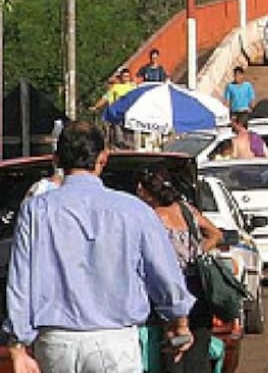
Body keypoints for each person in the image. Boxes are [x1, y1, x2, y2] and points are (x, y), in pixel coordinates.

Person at [4, 121, 196, 373]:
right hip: (115, 341)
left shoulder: (37, 210)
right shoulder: (134, 210)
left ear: (57, 159)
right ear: (103, 158)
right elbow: (165, 274)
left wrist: (17, 344)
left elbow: (21, 280)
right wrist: (178, 322)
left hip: (56, 341)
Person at [135, 168, 223, 373]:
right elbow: (215, 234)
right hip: (198, 286)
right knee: (199, 351)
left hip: (170, 288)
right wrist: (196, 254)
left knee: (174, 350)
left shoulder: (153, 216)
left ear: (146, 193)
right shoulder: (187, 209)